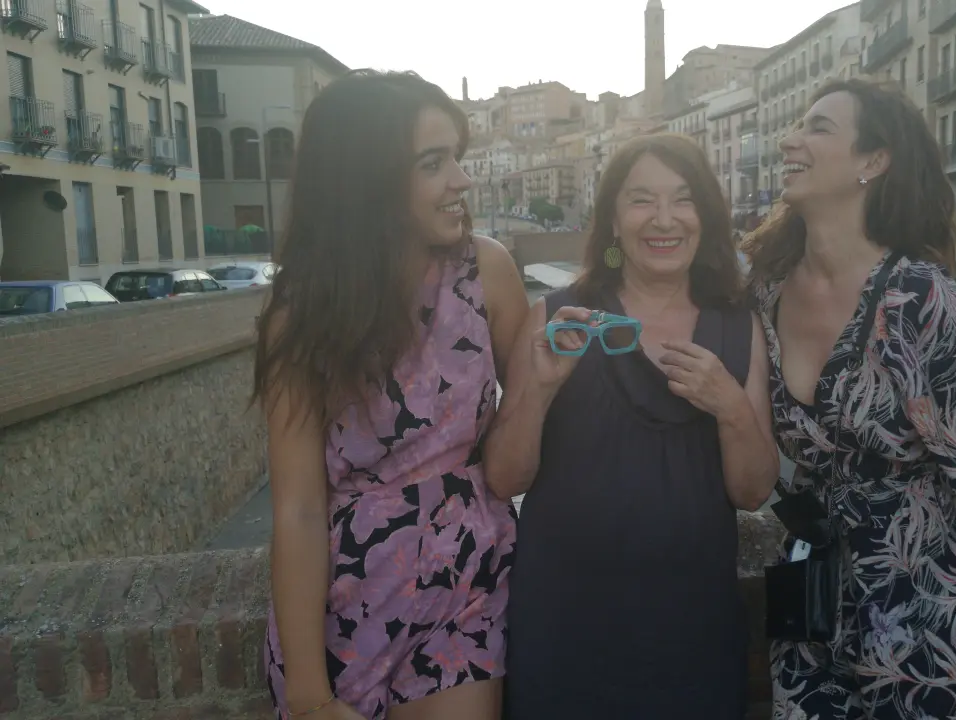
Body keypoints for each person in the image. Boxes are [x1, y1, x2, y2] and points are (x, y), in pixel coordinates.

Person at [742, 78, 956, 718]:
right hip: (815, 599)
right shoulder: (766, 290)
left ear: (873, 160)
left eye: (817, 128)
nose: (789, 141)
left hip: (929, 604)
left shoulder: (914, 295)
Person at [253, 70, 528, 720]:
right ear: (368, 181)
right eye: (433, 164)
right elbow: (298, 507)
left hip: (468, 582)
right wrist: (310, 693)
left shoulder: (486, 271)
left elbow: (526, 441)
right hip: (349, 603)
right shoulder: (302, 313)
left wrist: (547, 377)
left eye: (456, 156)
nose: (461, 180)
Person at [485, 133, 779, 720]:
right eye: (642, 199)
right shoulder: (556, 318)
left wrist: (730, 405)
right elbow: (505, 479)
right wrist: (539, 390)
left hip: (691, 627)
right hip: (565, 622)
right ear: (614, 221)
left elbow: (752, 492)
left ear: (705, 217)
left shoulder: (738, 325)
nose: (664, 219)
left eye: (684, 199)